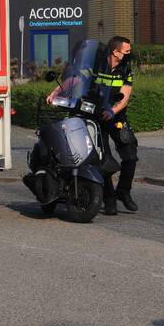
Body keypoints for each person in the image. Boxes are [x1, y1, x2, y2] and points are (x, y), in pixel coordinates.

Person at [48, 35, 138, 216]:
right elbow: (74, 80)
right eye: (126, 51)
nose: (129, 54)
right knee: (103, 158)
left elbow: (125, 96)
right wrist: (56, 93)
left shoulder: (125, 69)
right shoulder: (96, 66)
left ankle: (124, 191)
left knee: (130, 156)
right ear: (115, 52)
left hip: (115, 116)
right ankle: (109, 199)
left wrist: (112, 111)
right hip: (96, 116)